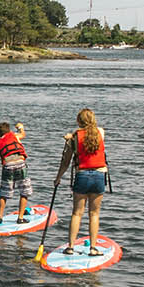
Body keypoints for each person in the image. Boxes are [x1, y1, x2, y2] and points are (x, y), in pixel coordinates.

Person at [54, 107, 108, 253]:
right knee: (94, 213)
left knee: (77, 213)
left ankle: (70, 247)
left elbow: (65, 162)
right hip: (98, 176)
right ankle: (93, 248)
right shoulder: (101, 133)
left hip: (82, 176)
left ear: (79, 121)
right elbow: (97, 131)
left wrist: (58, 178)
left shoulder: (74, 138)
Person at [0, 121, 32, 223]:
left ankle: (0, 217)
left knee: (4, 193)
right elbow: (23, 134)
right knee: (24, 192)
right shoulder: (14, 136)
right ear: (8, 130)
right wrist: (21, 127)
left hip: (7, 166)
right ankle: (20, 218)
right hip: (20, 164)